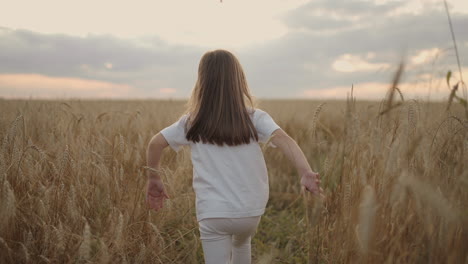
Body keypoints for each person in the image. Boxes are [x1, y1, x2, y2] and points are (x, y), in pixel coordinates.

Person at [145, 49, 322, 264]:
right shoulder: (255, 118)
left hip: (213, 212)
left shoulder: (191, 123)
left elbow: (155, 143)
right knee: (241, 243)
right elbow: (284, 139)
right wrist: (305, 172)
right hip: (250, 211)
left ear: (202, 82)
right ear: (239, 81)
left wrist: (154, 178)